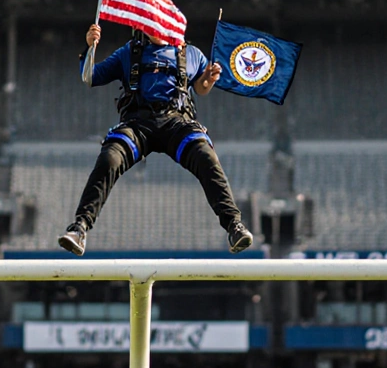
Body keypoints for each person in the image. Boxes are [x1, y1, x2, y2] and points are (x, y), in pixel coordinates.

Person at [58, 23, 253, 255]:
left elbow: (200, 89)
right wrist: (89, 48)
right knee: (109, 158)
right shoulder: (128, 52)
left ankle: (234, 225)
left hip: (177, 124)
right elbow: (91, 77)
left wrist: (208, 80)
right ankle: (80, 228)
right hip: (137, 126)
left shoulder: (191, 54)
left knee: (205, 156)